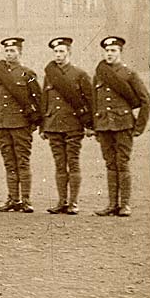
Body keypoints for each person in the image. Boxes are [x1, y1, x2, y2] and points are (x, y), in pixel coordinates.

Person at [93, 36, 150, 217]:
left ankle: (125, 205)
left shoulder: (129, 74)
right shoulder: (99, 74)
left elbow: (146, 101)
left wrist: (139, 127)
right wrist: (96, 126)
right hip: (104, 127)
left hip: (124, 125)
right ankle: (112, 204)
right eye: (107, 51)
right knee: (110, 164)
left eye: (113, 51)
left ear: (120, 53)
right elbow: (95, 102)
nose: (109, 54)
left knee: (122, 164)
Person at [40, 37, 94, 215]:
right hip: (54, 125)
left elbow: (90, 100)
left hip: (73, 125)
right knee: (59, 165)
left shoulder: (79, 74)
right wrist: (43, 126)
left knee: (73, 163)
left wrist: (89, 125)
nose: (58, 55)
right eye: (56, 52)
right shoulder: (49, 75)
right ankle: (62, 201)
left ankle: (73, 202)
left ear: (69, 53)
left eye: (62, 51)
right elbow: (45, 100)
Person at [0, 37, 43, 213]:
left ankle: (26, 200)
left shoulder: (27, 74)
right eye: (6, 51)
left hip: (21, 124)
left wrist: (35, 121)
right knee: (9, 163)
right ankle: (13, 199)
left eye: (12, 51)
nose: (9, 54)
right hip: (2, 123)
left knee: (22, 161)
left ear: (20, 53)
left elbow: (37, 99)